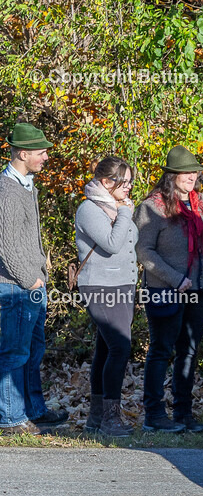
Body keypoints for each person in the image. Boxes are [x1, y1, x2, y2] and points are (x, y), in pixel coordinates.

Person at [135, 146, 203, 433]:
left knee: (190, 351)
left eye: (195, 171)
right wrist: (174, 279)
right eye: (186, 171)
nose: (192, 176)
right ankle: (154, 414)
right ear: (171, 175)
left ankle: (184, 413)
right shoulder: (152, 207)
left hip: (200, 289)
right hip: (165, 289)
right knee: (161, 350)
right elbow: (143, 251)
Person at [0, 122, 69, 435]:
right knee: (14, 353)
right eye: (41, 152)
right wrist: (30, 280)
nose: (45, 157)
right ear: (22, 153)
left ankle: (34, 411)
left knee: (33, 351)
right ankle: (11, 419)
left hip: (32, 286)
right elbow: (6, 245)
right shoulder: (7, 190)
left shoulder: (26, 185)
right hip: (15, 287)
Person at [75, 156, 138, 437]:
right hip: (100, 286)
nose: (129, 188)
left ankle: (96, 418)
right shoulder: (89, 209)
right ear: (105, 182)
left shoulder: (116, 206)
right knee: (120, 348)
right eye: (123, 183)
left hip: (123, 285)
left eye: (130, 182)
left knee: (105, 349)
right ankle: (111, 419)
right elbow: (112, 244)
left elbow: (131, 239)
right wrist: (125, 213)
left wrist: (123, 212)